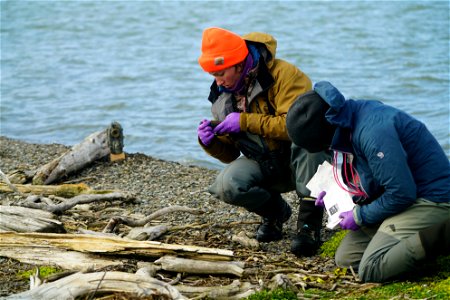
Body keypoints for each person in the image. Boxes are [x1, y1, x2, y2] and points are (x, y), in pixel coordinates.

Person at [285, 81, 450, 282]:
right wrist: (334, 193)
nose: (326, 151)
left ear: (327, 133)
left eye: (324, 147)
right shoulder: (346, 120)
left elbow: (401, 192)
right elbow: (369, 175)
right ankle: (417, 249)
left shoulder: (373, 133)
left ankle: (444, 233)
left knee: (371, 268)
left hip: (432, 198)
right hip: (404, 198)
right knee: (347, 258)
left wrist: (360, 216)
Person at [196, 27, 331, 256]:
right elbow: (230, 155)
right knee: (226, 185)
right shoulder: (222, 93)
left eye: (221, 73)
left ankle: (309, 226)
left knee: (309, 141)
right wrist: (210, 142)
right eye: (213, 76)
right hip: (266, 162)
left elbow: (296, 125)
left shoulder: (284, 74)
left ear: (239, 63)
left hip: (298, 157)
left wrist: (245, 121)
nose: (218, 82)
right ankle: (276, 214)